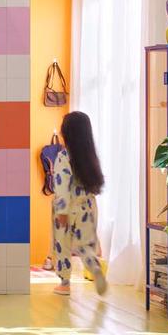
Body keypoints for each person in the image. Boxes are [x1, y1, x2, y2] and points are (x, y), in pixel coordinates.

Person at [47, 110, 108, 296]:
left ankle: (65, 283)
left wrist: (62, 211)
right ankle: (95, 269)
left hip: (68, 209)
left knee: (62, 245)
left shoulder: (63, 157)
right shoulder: (90, 157)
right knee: (85, 245)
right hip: (88, 207)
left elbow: (62, 186)